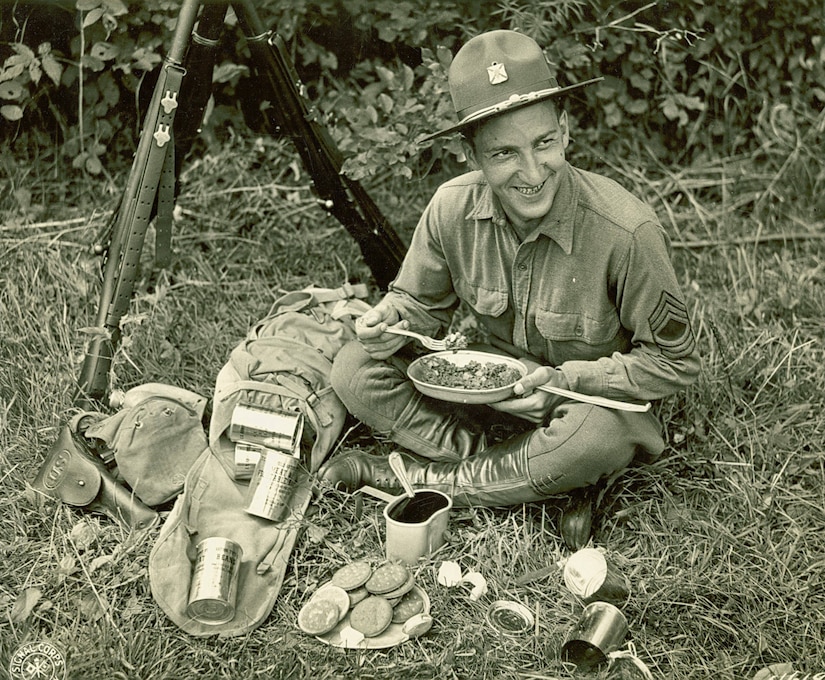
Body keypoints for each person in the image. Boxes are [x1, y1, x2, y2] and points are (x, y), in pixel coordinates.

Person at [318, 29, 700, 546]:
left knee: (596, 438)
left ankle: (405, 477)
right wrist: (391, 321)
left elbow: (672, 363)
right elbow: (417, 308)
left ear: (565, 131)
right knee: (354, 368)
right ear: (471, 152)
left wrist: (568, 380)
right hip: (489, 390)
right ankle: (531, 475)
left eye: (543, 143)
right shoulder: (451, 208)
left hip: (577, 398)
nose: (531, 171)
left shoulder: (626, 231)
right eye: (504, 154)